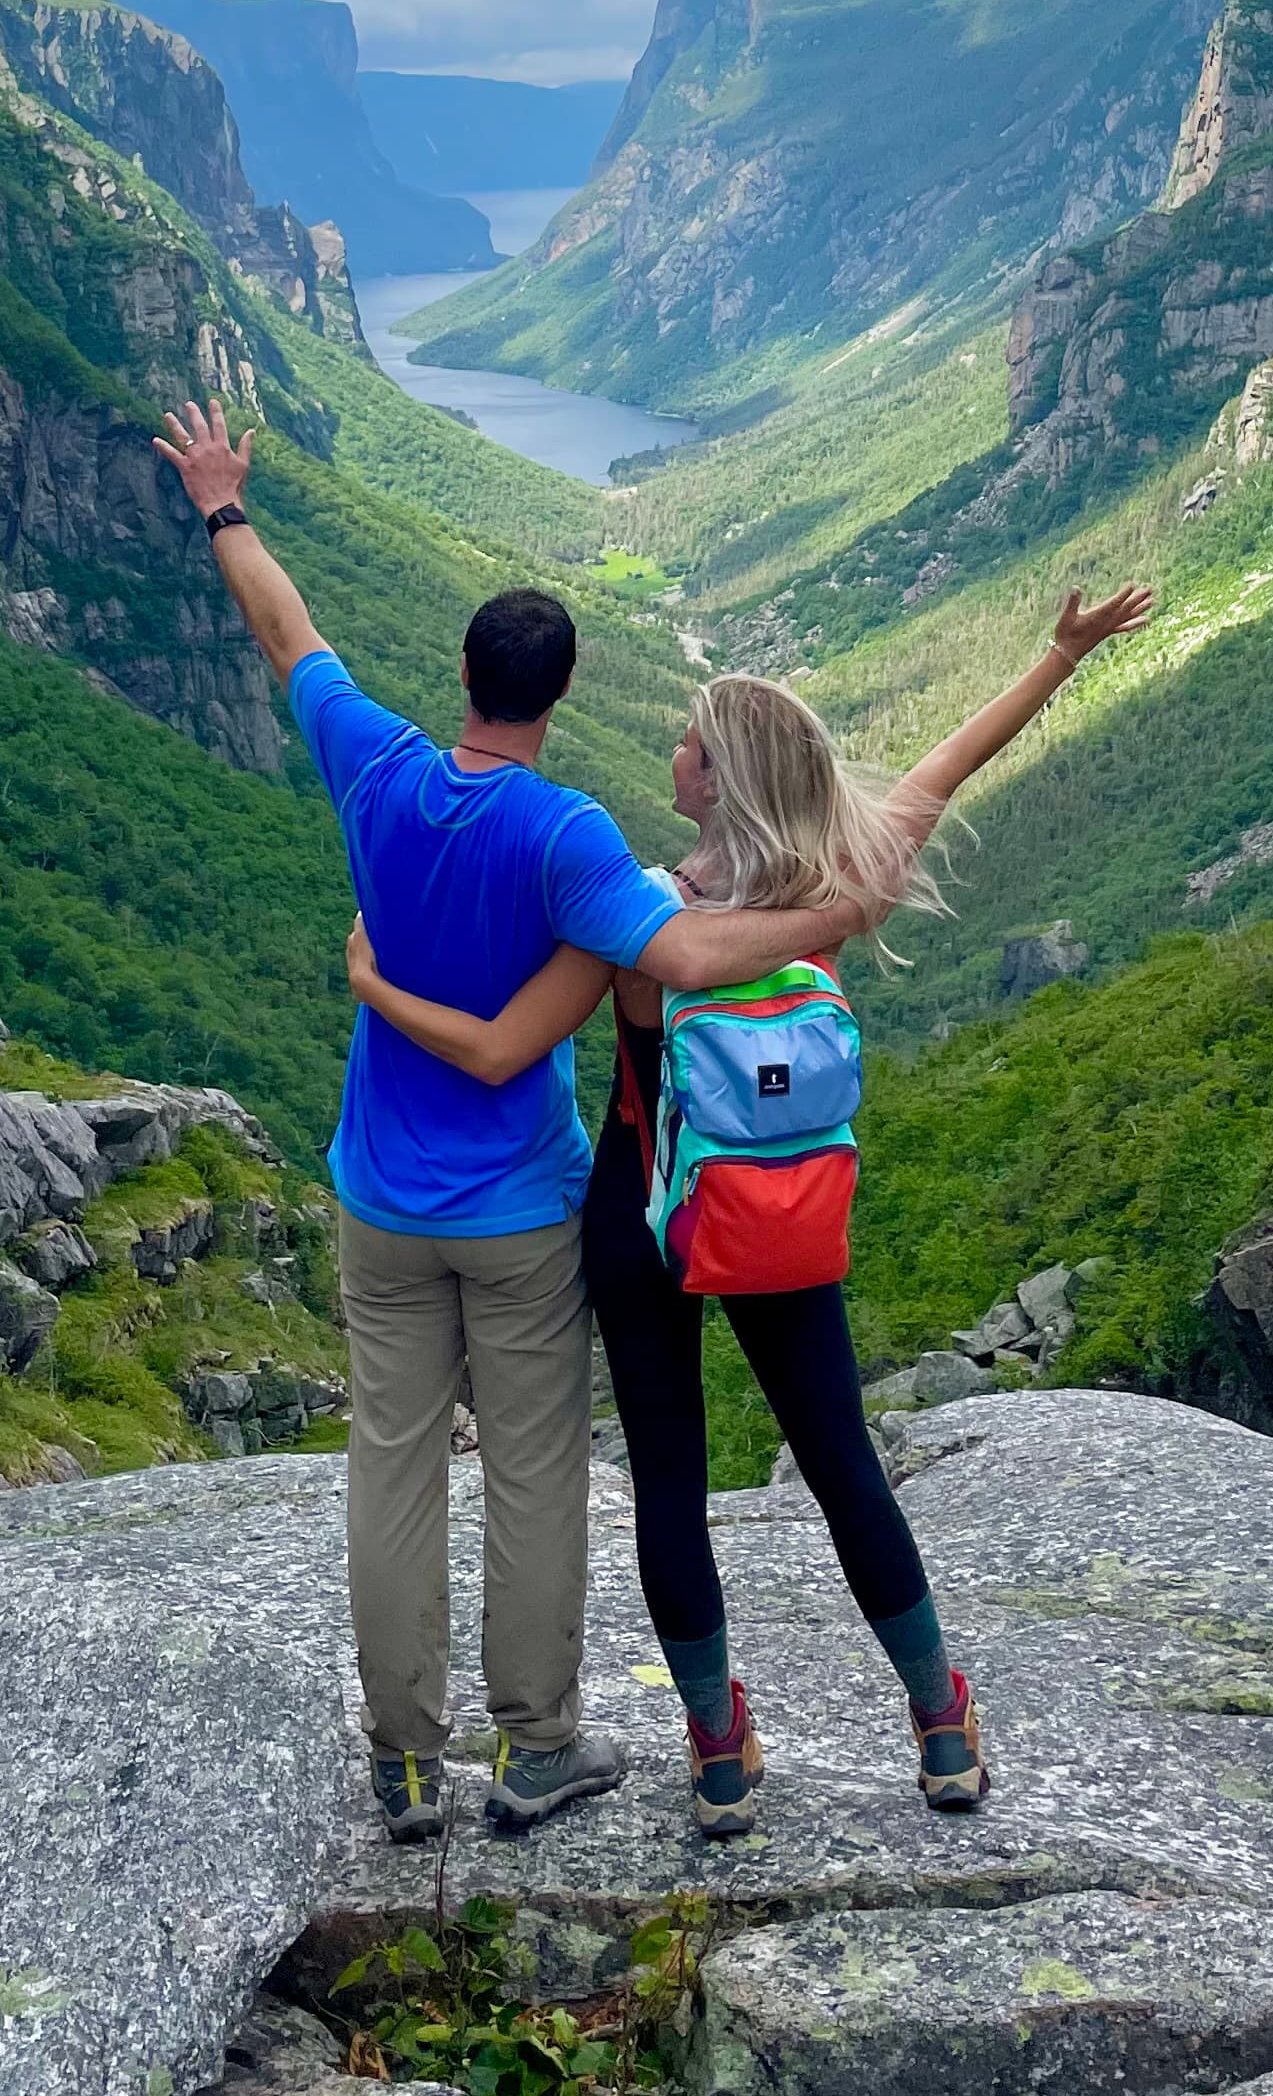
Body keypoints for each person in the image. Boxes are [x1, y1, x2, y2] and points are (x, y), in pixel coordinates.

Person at [153, 398, 868, 1847]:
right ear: (555, 697)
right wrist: (842, 906)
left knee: (392, 1468)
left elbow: (288, 634)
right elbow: (685, 964)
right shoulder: (569, 839)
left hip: (381, 1205)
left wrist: (225, 506)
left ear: (463, 678)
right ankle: (535, 1751)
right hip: (526, 1212)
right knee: (536, 1478)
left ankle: (403, 1762)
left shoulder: (378, 767)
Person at [346, 583, 1153, 1837]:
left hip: (643, 1216)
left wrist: (377, 982)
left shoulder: (633, 911)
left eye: (686, 738)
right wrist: (1057, 660)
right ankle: (941, 1726)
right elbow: (952, 767)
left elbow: (513, 1045)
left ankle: (719, 1754)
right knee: (841, 1467)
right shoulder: (829, 891)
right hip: (773, 1217)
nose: (669, 750)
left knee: (672, 1484)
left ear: (717, 778)